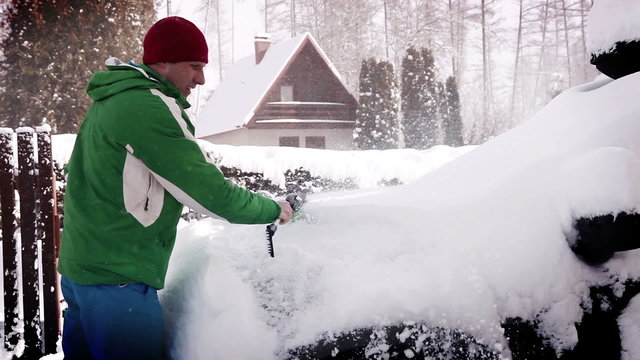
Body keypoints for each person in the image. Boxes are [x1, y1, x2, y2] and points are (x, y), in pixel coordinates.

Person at [57, 16, 293, 360]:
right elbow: (210, 194)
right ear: (163, 61)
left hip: (83, 273)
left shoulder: (112, 99)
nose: (201, 79)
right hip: (118, 282)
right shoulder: (145, 106)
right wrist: (274, 209)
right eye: (194, 66)